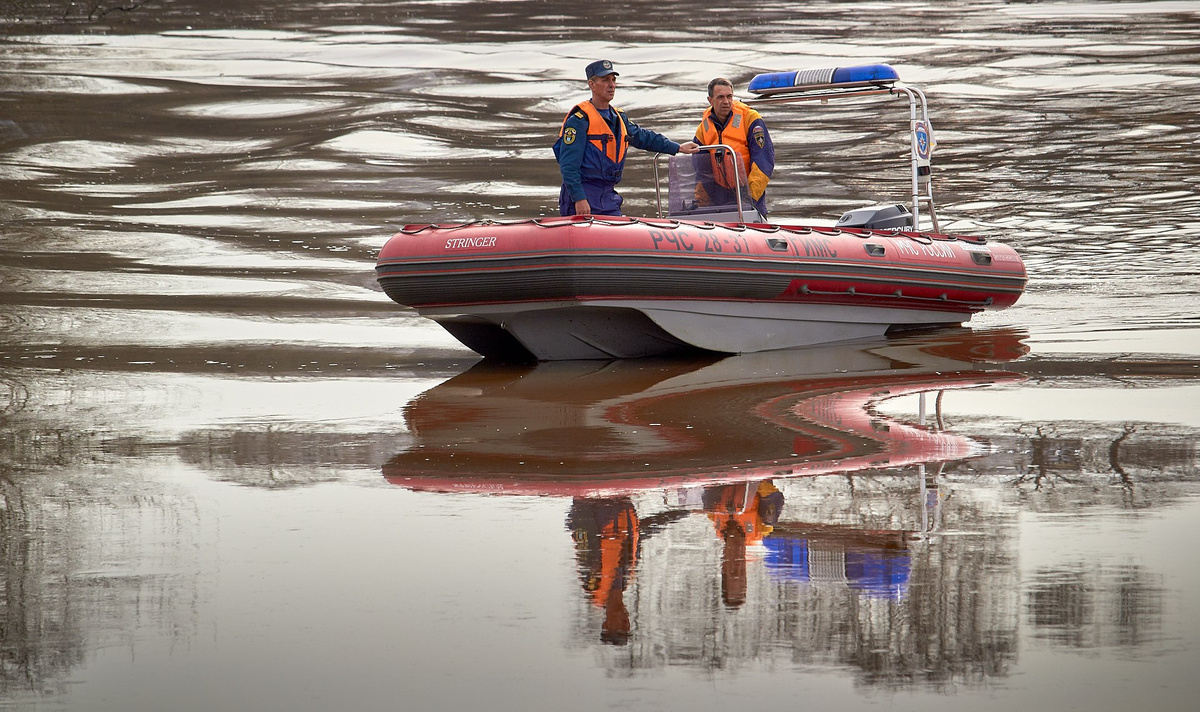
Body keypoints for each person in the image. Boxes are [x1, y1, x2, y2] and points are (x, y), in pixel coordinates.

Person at [554, 60, 699, 217]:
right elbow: (569, 166)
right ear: (592, 84)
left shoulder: (619, 117)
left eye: (613, 80)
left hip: (608, 196)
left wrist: (676, 147)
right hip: (584, 193)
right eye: (605, 80)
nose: (612, 85)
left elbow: (644, 137)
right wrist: (579, 198)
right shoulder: (579, 121)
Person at [692, 77, 776, 217]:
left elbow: (764, 162)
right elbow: (701, 170)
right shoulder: (703, 129)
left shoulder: (750, 119)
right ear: (710, 100)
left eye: (729, 96)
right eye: (720, 97)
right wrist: (699, 203)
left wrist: (749, 199)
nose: (726, 102)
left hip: (747, 193)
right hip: (718, 197)